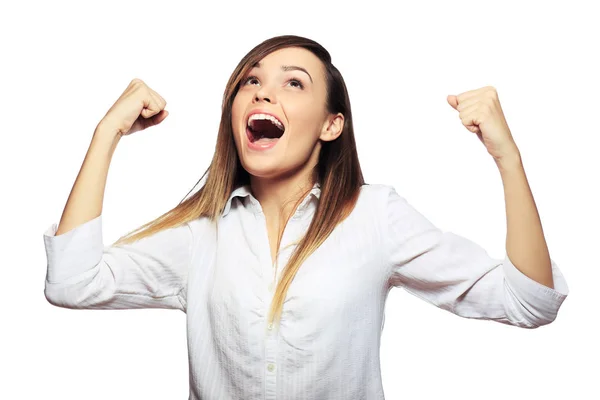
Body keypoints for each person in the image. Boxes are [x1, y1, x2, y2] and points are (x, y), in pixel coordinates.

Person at [42, 35, 569, 399]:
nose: (263, 91)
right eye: (251, 81)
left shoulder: (374, 217)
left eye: (293, 83)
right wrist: (105, 133)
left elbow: (529, 302)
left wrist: (507, 158)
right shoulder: (200, 237)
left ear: (331, 125)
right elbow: (71, 282)